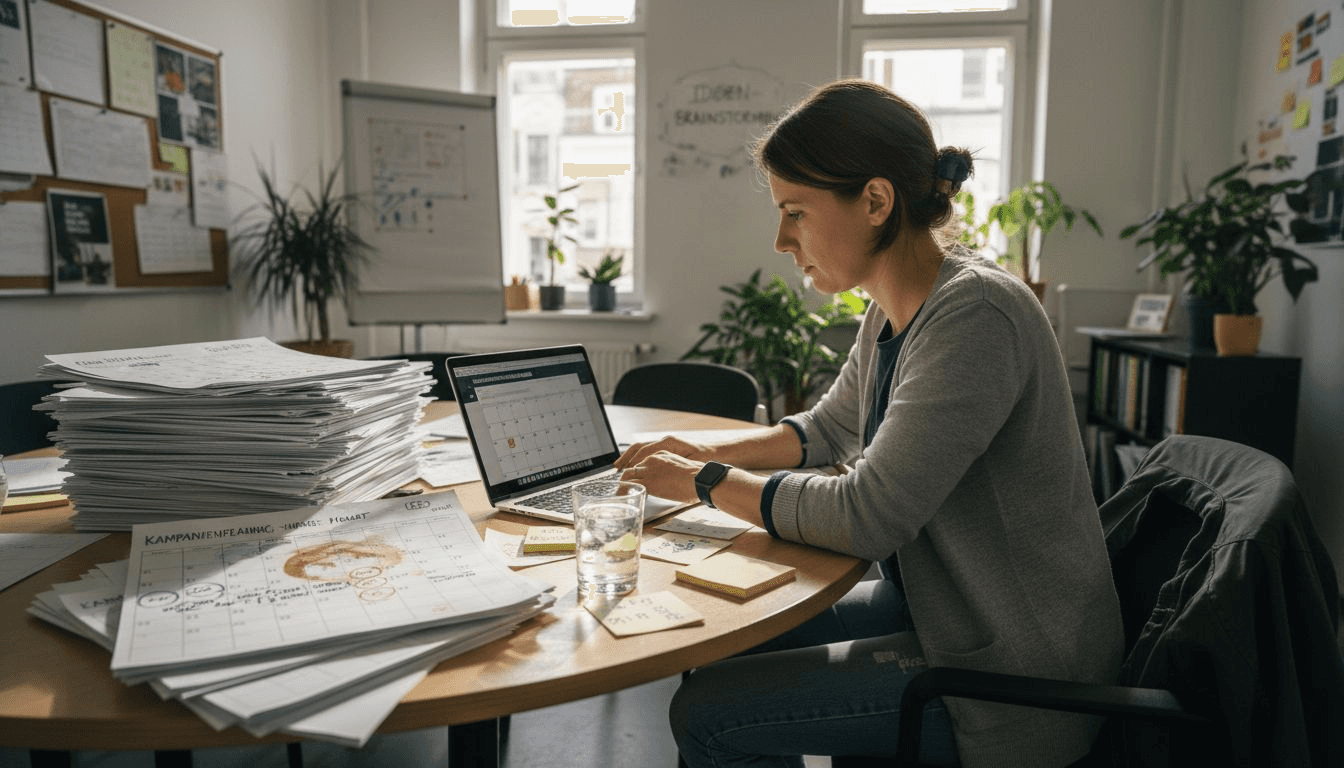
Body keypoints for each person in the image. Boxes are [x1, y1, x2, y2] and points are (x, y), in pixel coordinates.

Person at [613, 79, 1123, 768]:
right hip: (944, 613)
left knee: (708, 715)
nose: (780, 239)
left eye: (795, 212)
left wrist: (703, 481)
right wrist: (683, 450)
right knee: (739, 635)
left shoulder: (977, 317)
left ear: (876, 202)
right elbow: (821, 432)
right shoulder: (892, 307)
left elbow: (867, 515)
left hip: (1011, 671)